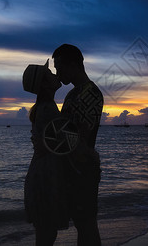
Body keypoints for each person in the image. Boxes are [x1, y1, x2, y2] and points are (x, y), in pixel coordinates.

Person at [53, 44, 104, 246]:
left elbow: (79, 137)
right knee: (83, 223)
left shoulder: (90, 93)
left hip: (82, 168)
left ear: (73, 64)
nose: (58, 73)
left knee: (86, 224)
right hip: (75, 168)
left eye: (59, 67)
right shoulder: (74, 94)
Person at [23, 60, 69, 246]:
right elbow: (64, 141)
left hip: (41, 172)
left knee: (45, 233)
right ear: (44, 83)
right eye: (48, 73)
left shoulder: (44, 107)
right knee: (47, 234)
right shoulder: (48, 108)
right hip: (45, 176)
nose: (54, 74)